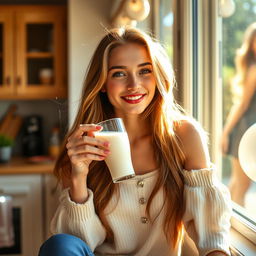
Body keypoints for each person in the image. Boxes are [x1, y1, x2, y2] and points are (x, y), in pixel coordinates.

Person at [39, 27, 231, 256]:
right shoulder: (85, 145)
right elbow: (77, 244)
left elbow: (211, 233)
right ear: (102, 82)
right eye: (119, 73)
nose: (133, 85)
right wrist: (79, 176)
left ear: (158, 76)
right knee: (58, 245)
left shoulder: (184, 136)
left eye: (145, 71)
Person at [221, 23, 256, 206]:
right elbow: (241, 105)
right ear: (251, 44)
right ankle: (234, 230)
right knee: (241, 185)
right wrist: (225, 133)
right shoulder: (254, 70)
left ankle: (225, 223)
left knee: (236, 184)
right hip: (247, 130)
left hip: (247, 129)